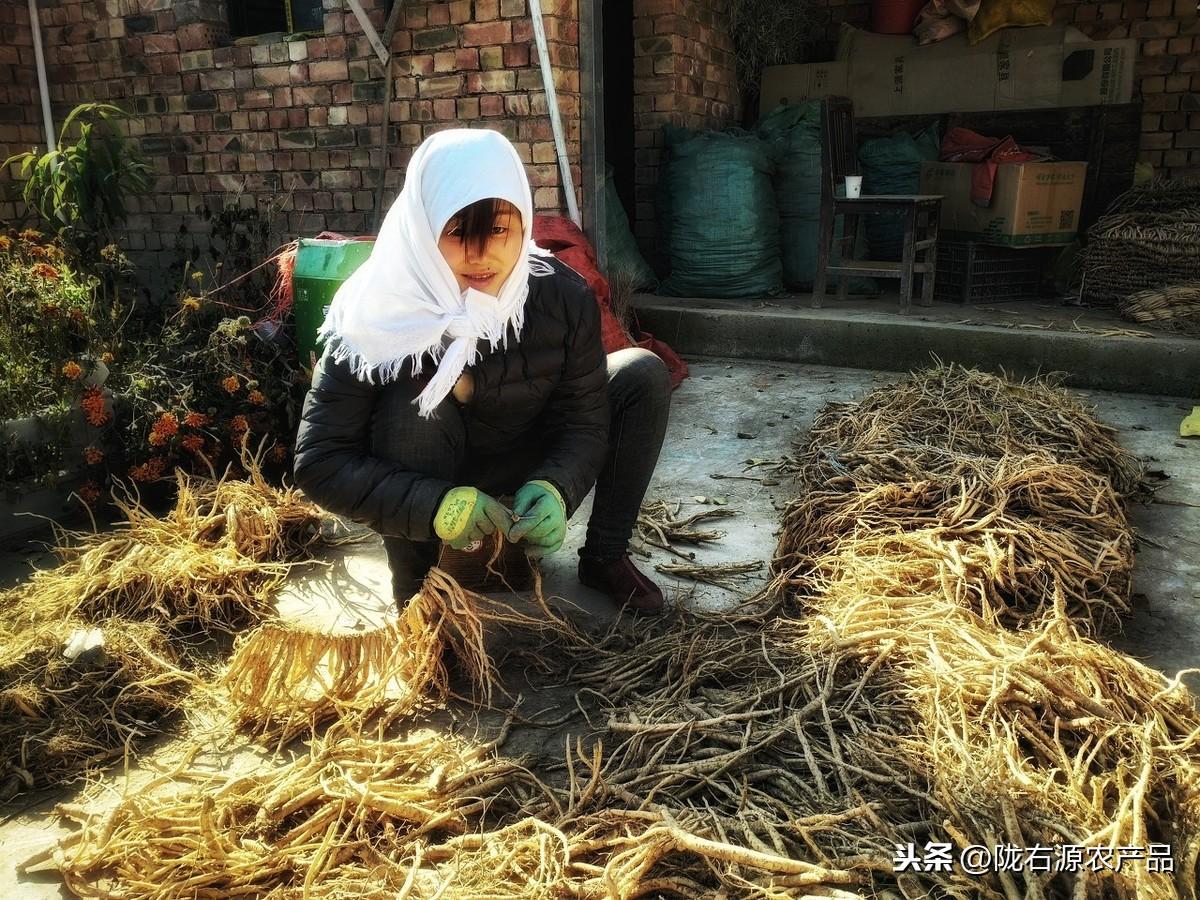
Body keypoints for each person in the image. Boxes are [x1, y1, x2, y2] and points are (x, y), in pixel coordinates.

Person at [293, 128, 672, 614]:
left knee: (640, 373)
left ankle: (604, 556)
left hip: (520, 458)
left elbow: (583, 418)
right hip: (430, 478)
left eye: (497, 229)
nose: (479, 255)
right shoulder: (375, 310)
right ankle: (419, 590)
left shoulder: (561, 295)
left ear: (522, 224)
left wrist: (558, 485)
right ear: (422, 227)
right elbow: (320, 461)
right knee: (413, 405)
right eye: (456, 232)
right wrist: (434, 506)